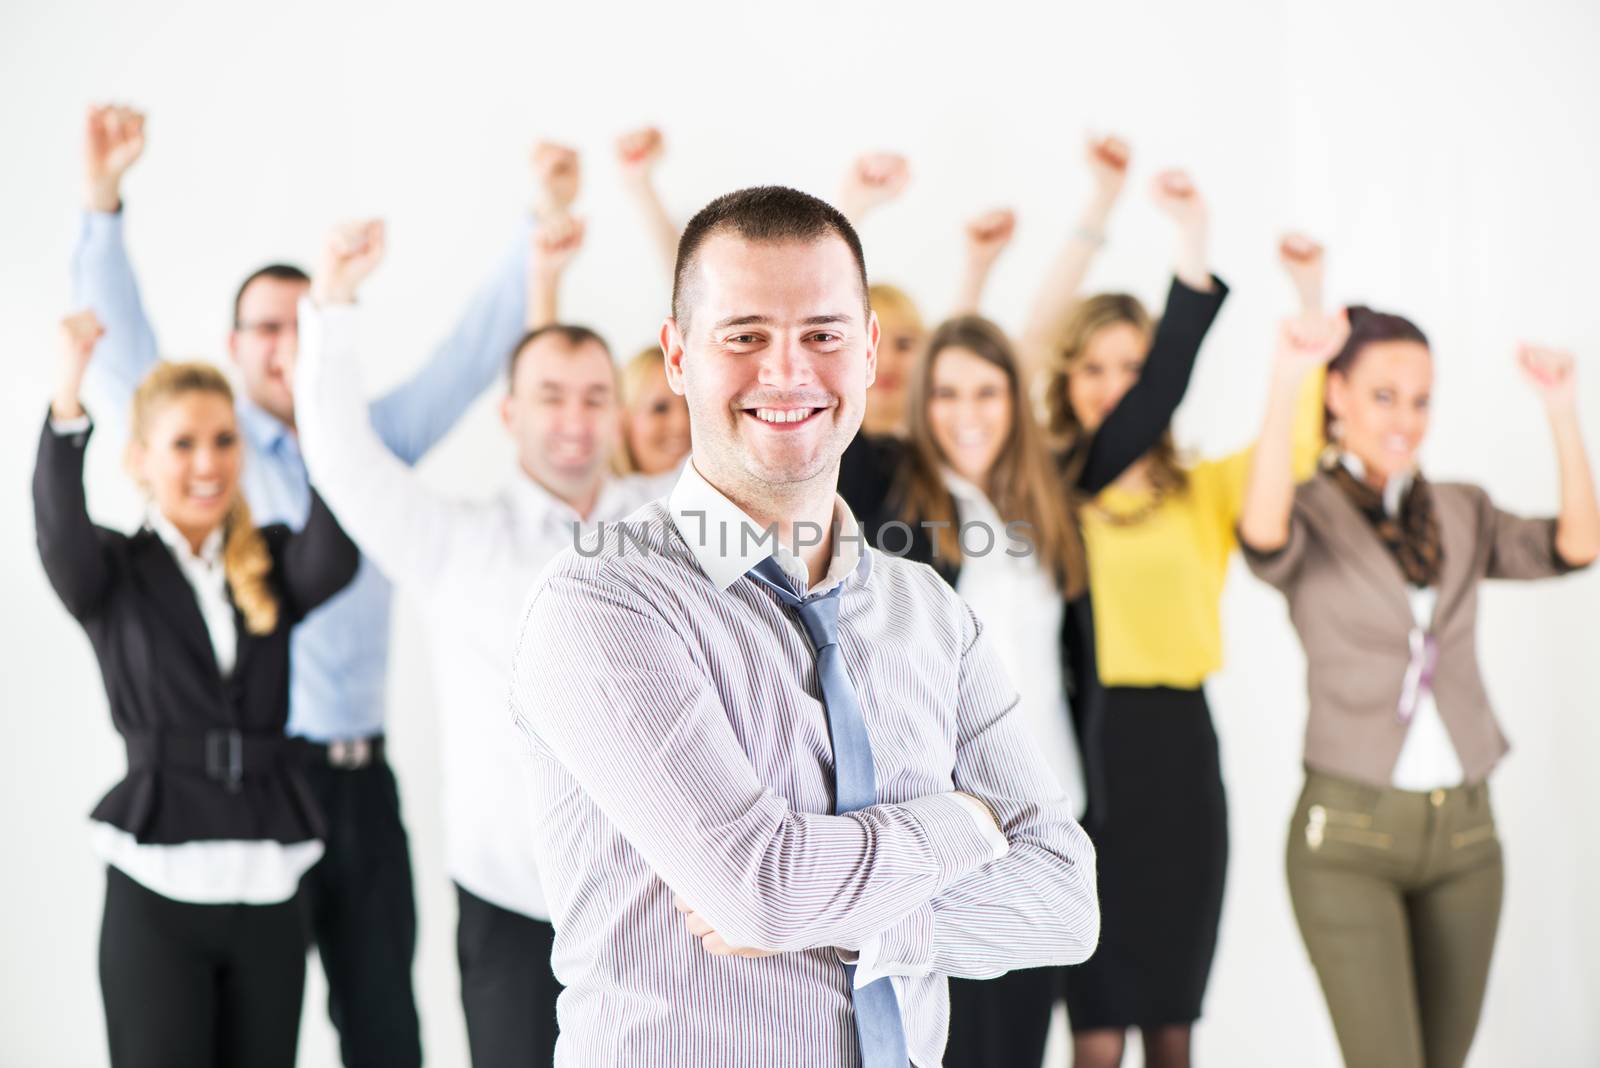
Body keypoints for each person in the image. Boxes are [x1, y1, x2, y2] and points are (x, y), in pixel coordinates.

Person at [508, 185, 1100, 1067]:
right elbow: (761, 892)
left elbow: (1064, 902)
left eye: (822, 336)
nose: (786, 373)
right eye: (744, 337)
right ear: (677, 356)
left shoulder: (931, 613)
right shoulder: (604, 602)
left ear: (867, 354)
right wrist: (967, 823)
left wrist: (871, 924)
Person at [72, 103, 542, 1066]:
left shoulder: (370, 445)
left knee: (383, 1028)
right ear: (236, 346)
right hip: (254, 792)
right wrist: (104, 199)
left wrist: (538, 224)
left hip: (361, 788)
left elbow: (466, 357)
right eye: (266, 328)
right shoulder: (211, 455)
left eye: (304, 324)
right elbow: (122, 351)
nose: (287, 345)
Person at [836, 150, 1229, 1068]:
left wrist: (1191, 241)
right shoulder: (887, 487)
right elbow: (828, 370)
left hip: (1052, 810)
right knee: (947, 1046)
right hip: (942, 816)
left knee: (1020, 1047)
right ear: (917, 400)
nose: (968, 412)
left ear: (1015, 399)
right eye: (946, 392)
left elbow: (1155, 391)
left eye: (987, 391)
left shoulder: (1048, 489)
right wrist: (851, 213)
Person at [294, 215, 670, 1067]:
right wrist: (336, 301)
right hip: (511, 907)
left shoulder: (671, 527)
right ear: (508, 412)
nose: (574, 419)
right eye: (550, 395)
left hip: (658, 908)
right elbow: (344, 459)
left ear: (617, 409)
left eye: (593, 396)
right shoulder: (454, 544)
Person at [1238, 310, 1598, 1068]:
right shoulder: (1308, 508)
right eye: (1383, 395)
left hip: (1467, 834)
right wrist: (1285, 377)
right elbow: (1262, 534)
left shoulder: (1461, 509)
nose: (1405, 419)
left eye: (1421, 399)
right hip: (1347, 836)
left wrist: (1563, 408)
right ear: (1338, 393)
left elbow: (1575, 546)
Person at [34, 311, 360, 1067]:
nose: (207, 462)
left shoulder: (271, 562)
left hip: (267, 888)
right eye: (183, 444)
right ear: (141, 459)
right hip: (157, 890)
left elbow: (338, 554)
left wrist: (310, 409)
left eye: (223, 440)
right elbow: (57, 528)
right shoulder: (111, 572)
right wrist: (67, 391)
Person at [1038, 234, 1328, 1068]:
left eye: (1132, 367)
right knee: (1094, 1029)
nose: (1113, 387)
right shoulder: (1056, 488)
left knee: (1172, 1024)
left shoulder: (1200, 490)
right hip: (1087, 749)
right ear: (1066, 381)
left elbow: (1295, 447)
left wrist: (1310, 302)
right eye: (1092, 368)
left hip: (1180, 753)